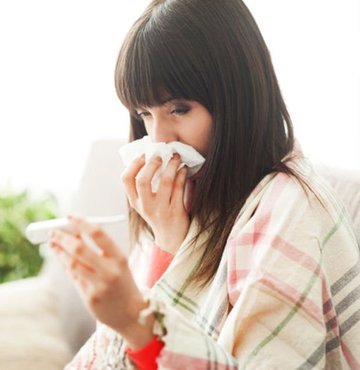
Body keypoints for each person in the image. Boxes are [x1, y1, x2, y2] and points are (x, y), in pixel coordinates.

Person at [50, 0, 360, 368]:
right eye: (144, 114)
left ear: (236, 98)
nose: (159, 138)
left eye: (179, 109)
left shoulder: (289, 209)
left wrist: (145, 302)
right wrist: (167, 241)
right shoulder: (184, 201)